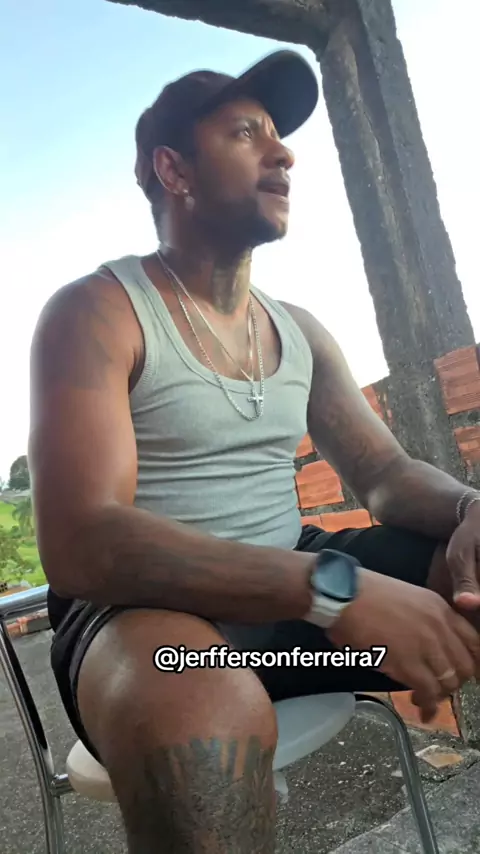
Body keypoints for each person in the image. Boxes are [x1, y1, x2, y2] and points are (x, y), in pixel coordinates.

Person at [29, 49, 480, 853]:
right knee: (200, 718)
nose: (284, 154)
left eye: (278, 135)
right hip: (148, 618)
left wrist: (470, 508)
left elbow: (382, 474)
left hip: (299, 610)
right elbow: (82, 542)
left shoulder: (299, 329)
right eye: (246, 133)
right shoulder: (99, 312)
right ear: (174, 170)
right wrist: (332, 589)